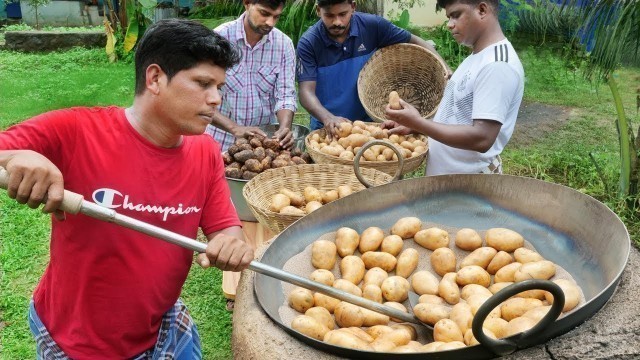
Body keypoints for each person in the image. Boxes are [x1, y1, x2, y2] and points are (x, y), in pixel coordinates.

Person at [0, 19, 254, 359]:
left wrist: (231, 243)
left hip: (163, 330)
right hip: (78, 341)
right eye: (203, 83)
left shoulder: (205, 151)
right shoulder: (76, 131)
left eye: (219, 86)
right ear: (154, 78)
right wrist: (19, 156)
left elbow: (226, 228)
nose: (216, 99)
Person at [383, 0, 524, 175]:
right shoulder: (477, 56)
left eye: (456, 15)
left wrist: (419, 122)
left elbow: (482, 138)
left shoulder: (497, 64)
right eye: (449, 17)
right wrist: (416, 126)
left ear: (481, 10)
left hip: (469, 185)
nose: (450, 25)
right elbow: (457, 117)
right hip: (449, 179)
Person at [296, 0, 450, 138]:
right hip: (328, 126)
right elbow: (305, 92)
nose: (337, 22)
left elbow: (414, 40)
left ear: (353, 6)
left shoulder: (372, 26)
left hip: (369, 126)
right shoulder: (309, 42)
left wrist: (445, 68)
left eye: (343, 14)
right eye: (329, 16)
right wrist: (327, 117)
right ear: (318, 10)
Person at [206, 0, 297, 151]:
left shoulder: (284, 45)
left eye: (276, 17)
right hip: (220, 140)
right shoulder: (219, 39)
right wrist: (235, 128)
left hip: (263, 143)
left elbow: (286, 95)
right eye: (264, 13)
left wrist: (285, 128)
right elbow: (201, 99)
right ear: (247, 4)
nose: (270, 23)